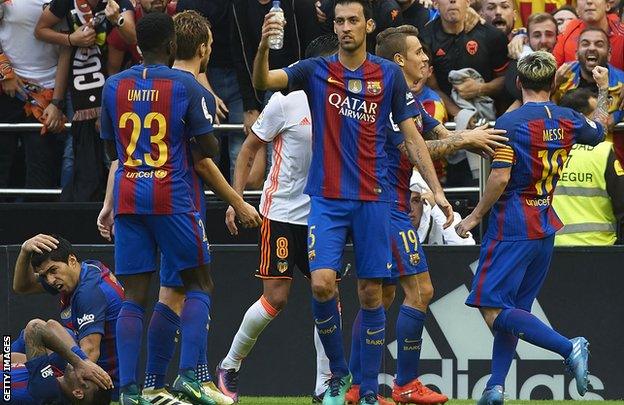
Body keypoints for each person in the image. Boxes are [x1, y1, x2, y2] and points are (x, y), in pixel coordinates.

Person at [253, 1, 454, 403]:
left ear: (368, 26)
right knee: (324, 284)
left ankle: (365, 390)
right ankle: (341, 376)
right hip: (326, 200)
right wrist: (262, 47)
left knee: (371, 294)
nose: (345, 27)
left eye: (353, 21)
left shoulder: (390, 75)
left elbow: (412, 137)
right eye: (340, 21)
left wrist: (438, 189)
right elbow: (264, 80)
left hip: (373, 201)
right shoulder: (315, 70)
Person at [344, 24, 508, 405]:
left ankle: (355, 386)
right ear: (399, 59)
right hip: (384, 206)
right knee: (419, 291)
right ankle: (403, 383)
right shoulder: (382, 97)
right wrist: (463, 139)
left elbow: (436, 139)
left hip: (394, 203)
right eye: (418, 52)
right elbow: (412, 150)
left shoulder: (408, 100)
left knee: (382, 297)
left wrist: (476, 141)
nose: (425, 58)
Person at [98, 12, 243, 405]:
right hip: (172, 197)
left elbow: (112, 150)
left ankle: (129, 391)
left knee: (135, 295)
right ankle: (193, 376)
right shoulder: (185, 85)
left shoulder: (113, 86)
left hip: (130, 197)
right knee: (199, 283)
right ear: (174, 45)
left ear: (138, 45)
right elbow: (210, 147)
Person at [455, 51, 608, 404]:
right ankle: (495, 387)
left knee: (492, 308)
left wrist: (475, 216)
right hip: (545, 225)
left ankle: (568, 346)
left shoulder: (510, 125)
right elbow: (599, 130)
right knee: (515, 312)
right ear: (553, 83)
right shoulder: (569, 119)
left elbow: (500, 176)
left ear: (519, 83)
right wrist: (603, 90)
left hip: (512, 225)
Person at [214, 34, 340, 404]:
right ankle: (229, 366)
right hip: (282, 212)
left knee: (329, 295)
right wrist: (236, 201)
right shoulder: (286, 103)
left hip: (324, 215)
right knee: (276, 299)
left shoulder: (345, 106)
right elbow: (249, 149)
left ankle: (323, 385)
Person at [35, 0, 136, 201]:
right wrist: (71, 39)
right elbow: (40, 31)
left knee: (115, 152)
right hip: (79, 88)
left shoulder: (117, 3)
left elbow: (133, 37)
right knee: (74, 152)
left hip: (115, 89)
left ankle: (119, 207)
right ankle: (70, 212)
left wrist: (118, 19)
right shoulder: (66, 2)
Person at [11, 234, 123, 400]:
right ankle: (10, 366)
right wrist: (24, 250)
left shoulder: (88, 294)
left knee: (40, 334)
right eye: (44, 275)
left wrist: (37, 362)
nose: (50, 280)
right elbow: (22, 287)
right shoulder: (84, 270)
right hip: (86, 362)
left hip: (98, 384)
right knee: (36, 336)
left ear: (71, 260)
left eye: (53, 271)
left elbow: (90, 353)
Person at [553, 87, 624, 245]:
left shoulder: (546, 151)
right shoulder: (603, 152)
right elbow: (622, 203)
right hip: (599, 248)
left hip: (552, 247)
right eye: (596, 116)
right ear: (581, 119)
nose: (603, 121)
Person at [3, 318, 113, 405]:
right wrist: (85, 361)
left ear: (78, 393)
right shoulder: (57, 376)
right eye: (92, 370)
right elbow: (51, 325)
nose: (86, 370)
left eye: (87, 376)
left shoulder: (49, 393)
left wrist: (79, 362)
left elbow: (35, 327)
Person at [553, 27, 624, 134]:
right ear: (576, 54)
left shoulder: (622, 82)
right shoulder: (561, 77)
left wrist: (619, 115)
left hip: (610, 147)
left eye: (599, 44)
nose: (591, 48)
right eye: (585, 44)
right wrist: (553, 85)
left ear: (609, 54)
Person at [553, 0, 624, 70]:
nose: (589, 1)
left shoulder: (621, 35)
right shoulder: (567, 32)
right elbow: (554, 73)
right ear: (577, 8)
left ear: (607, 5)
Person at [504, 12, 559, 102]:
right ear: (527, 39)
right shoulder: (517, 63)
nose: (543, 41)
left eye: (549, 35)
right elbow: (517, 93)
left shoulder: (568, 61)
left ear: (557, 37)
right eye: (537, 35)